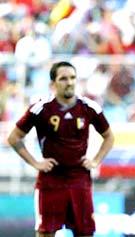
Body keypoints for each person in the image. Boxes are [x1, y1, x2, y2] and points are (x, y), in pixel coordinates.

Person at [7, 61, 114, 237]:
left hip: (79, 178)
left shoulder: (89, 107)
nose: (69, 82)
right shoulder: (40, 109)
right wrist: (35, 163)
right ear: (52, 84)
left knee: (85, 232)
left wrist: (95, 160)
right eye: (63, 78)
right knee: (45, 233)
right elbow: (14, 137)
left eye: (72, 78)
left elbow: (109, 136)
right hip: (51, 179)